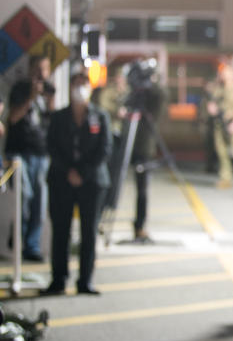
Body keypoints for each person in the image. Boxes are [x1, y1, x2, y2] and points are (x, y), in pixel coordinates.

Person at [42, 72, 112, 296]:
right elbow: (51, 145)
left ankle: (85, 281)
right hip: (62, 180)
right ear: (69, 87)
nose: (80, 89)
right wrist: (69, 171)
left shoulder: (100, 116)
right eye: (76, 84)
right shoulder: (60, 117)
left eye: (84, 85)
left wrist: (83, 172)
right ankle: (58, 280)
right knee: (61, 231)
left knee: (88, 232)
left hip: (92, 182)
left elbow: (105, 149)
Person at [121, 60, 165, 242]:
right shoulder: (132, 95)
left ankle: (140, 226)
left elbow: (161, 98)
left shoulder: (154, 95)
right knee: (113, 183)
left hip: (143, 146)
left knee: (142, 189)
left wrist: (150, 85)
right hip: (125, 144)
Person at [4, 81, 44, 261]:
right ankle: (18, 237)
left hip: (40, 154)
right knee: (24, 196)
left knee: (39, 202)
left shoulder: (47, 92)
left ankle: (32, 246)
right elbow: (12, 117)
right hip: (19, 153)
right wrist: (31, 97)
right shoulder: (21, 90)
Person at [207, 63, 233, 189]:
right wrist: (212, 109)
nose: (225, 75)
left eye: (227, 72)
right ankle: (226, 178)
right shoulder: (218, 89)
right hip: (219, 124)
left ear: (232, 74)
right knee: (222, 152)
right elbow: (212, 104)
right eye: (223, 73)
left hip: (232, 123)